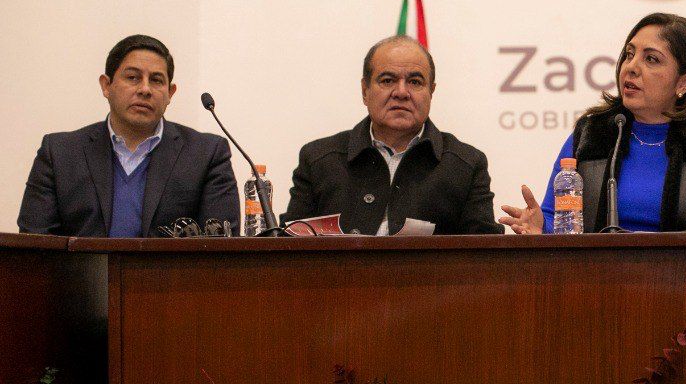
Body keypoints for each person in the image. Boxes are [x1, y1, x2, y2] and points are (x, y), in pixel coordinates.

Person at [500, 13, 686, 233]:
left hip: (682, 274)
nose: (631, 67)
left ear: (683, 83)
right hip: (595, 273)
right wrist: (541, 227)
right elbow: (560, 223)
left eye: (651, 59)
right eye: (629, 55)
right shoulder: (591, 136)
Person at [18, 35, 239, 237]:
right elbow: (36, 244)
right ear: (106, 86)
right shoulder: (60, 153)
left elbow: (220, 250)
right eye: (133, 77)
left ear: (170, 93)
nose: (145, 89)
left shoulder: (206, 154)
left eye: (156, 80)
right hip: (82, 271)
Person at [282, 35, 501, 235]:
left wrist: (522, 243)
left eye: (415, 82)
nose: (401, 92)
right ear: (365, 91)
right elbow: (288, 244)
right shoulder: (319, 159)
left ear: (431, 92)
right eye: (387, 80)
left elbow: (485, 252)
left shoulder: (466, 164)